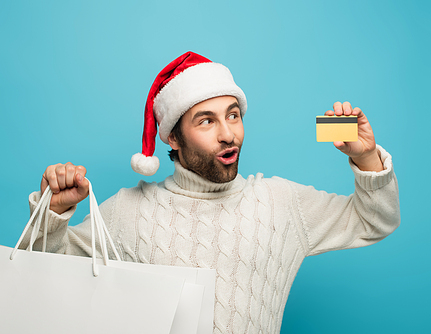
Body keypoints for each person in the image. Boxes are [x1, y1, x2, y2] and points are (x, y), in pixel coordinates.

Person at [28, 51, 400, 333]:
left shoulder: (280, 204)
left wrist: (366, 156)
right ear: (172, 136)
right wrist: (54, 213)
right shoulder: (130, 212)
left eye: (233, 115)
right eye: (206, 121)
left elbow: (374, 221)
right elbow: (42, 278)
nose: (228, 134)